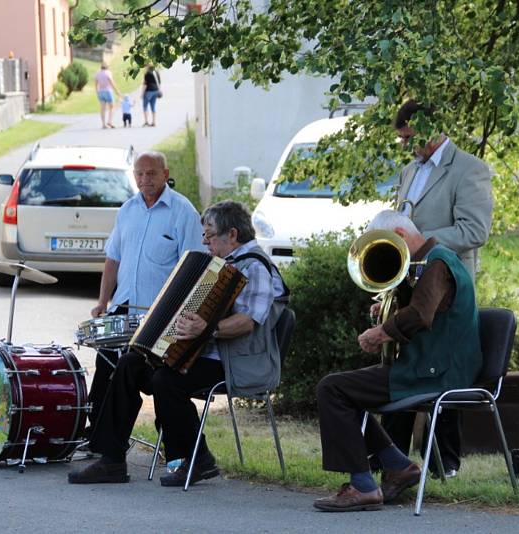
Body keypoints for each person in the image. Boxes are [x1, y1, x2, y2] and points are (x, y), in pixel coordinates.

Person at [68, 200, 287, 486]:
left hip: (234, 363)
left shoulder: (255, 267)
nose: (204, 240)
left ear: (232, 235)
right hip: (201, 355)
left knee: (166, 380)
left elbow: (247, 322)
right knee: (130, 363)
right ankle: (111, 459)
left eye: (209, 234)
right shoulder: (218, 266)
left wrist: (207, 329)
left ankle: (194, 459)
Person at [313, 210, 482, 512]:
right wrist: (389, 311)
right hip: (426, 366)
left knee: (332, 389)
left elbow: (420, 314)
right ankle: (398, 466)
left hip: (435, 373)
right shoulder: (429, 261)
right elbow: (423, 309)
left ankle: (363, 487)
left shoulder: (437, 263)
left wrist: (381, 332)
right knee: (343, 392)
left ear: (400, 237)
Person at [383, 99, 494, 478]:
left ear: (434, 128)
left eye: (411, 137)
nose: (407, 146)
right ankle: (394, 462)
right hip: (409, 284)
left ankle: (446, 466)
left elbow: (474, 231)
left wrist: (419, 240)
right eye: (403, 139)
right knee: (404, 371)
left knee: (443, 373)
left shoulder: (469, 169)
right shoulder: (409, 170)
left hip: (446, 290)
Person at [85, 151, 204, 433]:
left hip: (160, 313)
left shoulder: (183, 211)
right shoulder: (127, 210)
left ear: (165, 173)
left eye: (151, 173)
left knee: (153, 375)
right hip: (124, 306)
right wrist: (103, 300)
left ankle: (171, 439)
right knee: (106, 367)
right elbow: (113, 258)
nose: (144, 179)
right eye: (139, 173)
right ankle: (98, 437)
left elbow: (195, 266)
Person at [95, 62, 121, 128]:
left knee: (102, 109)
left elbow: (96, 84)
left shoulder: (97, 73)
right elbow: (112, 83)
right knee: (112, 107)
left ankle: (103, 124)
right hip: (108, 91)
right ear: (107, 67)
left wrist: (97, 93)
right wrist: (117, 91)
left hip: (100, 92)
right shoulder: (108, 73)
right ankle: (109, 121)